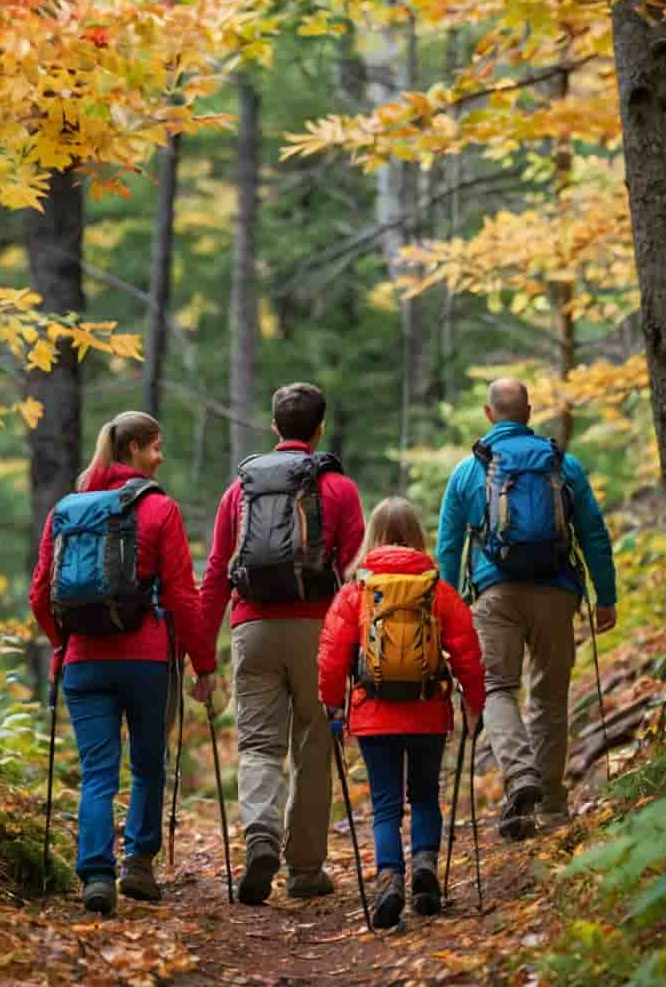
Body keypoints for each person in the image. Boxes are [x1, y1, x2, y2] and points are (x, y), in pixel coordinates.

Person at [30, 411, 217, 914]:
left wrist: (61, 645)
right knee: (149, 765)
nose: (159, 457)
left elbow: (39, 595)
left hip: (84, 662)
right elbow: (183, 595)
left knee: (97, 772)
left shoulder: (66, 509)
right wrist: (204, 663)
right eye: (155, 447)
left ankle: (96, 874)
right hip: (147, 660)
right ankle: (137, 863)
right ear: (133, 448)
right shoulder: (160, 509)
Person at [194, 382, 364, 905]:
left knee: (259, 745)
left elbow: (217, 575)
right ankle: (306, 868)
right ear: (319, 428)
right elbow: (358, 575)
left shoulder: (239, 490)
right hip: (319, 630)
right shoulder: (339, 488)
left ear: (274, 428)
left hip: (253, 629)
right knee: (314, 745)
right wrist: (359, 649)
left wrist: (203, 659)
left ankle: (260, 834)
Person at [438, 377, 617, 837]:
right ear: (530, 412)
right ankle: (553, 808)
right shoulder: (562, 463)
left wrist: (449, 606)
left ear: (488, 413)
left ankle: (520, 776)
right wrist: (606, 595)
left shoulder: (468, 470)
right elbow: (593, 532)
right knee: (549, 698)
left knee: (496, 688)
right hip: (557, 592)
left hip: (495, 593)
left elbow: (449, 546)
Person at [318, 496, 485, 929]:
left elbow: (333, 655)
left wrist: (332, 705)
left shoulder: (356, 591)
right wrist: (474, 702)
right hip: (427, 711)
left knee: (386, 804)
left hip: (373, 714)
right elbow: (466, 650)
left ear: (375, 536)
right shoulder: (437, 590)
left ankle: (390, 877)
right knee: (426, 794)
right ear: (416, 536)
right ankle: (426, 865)